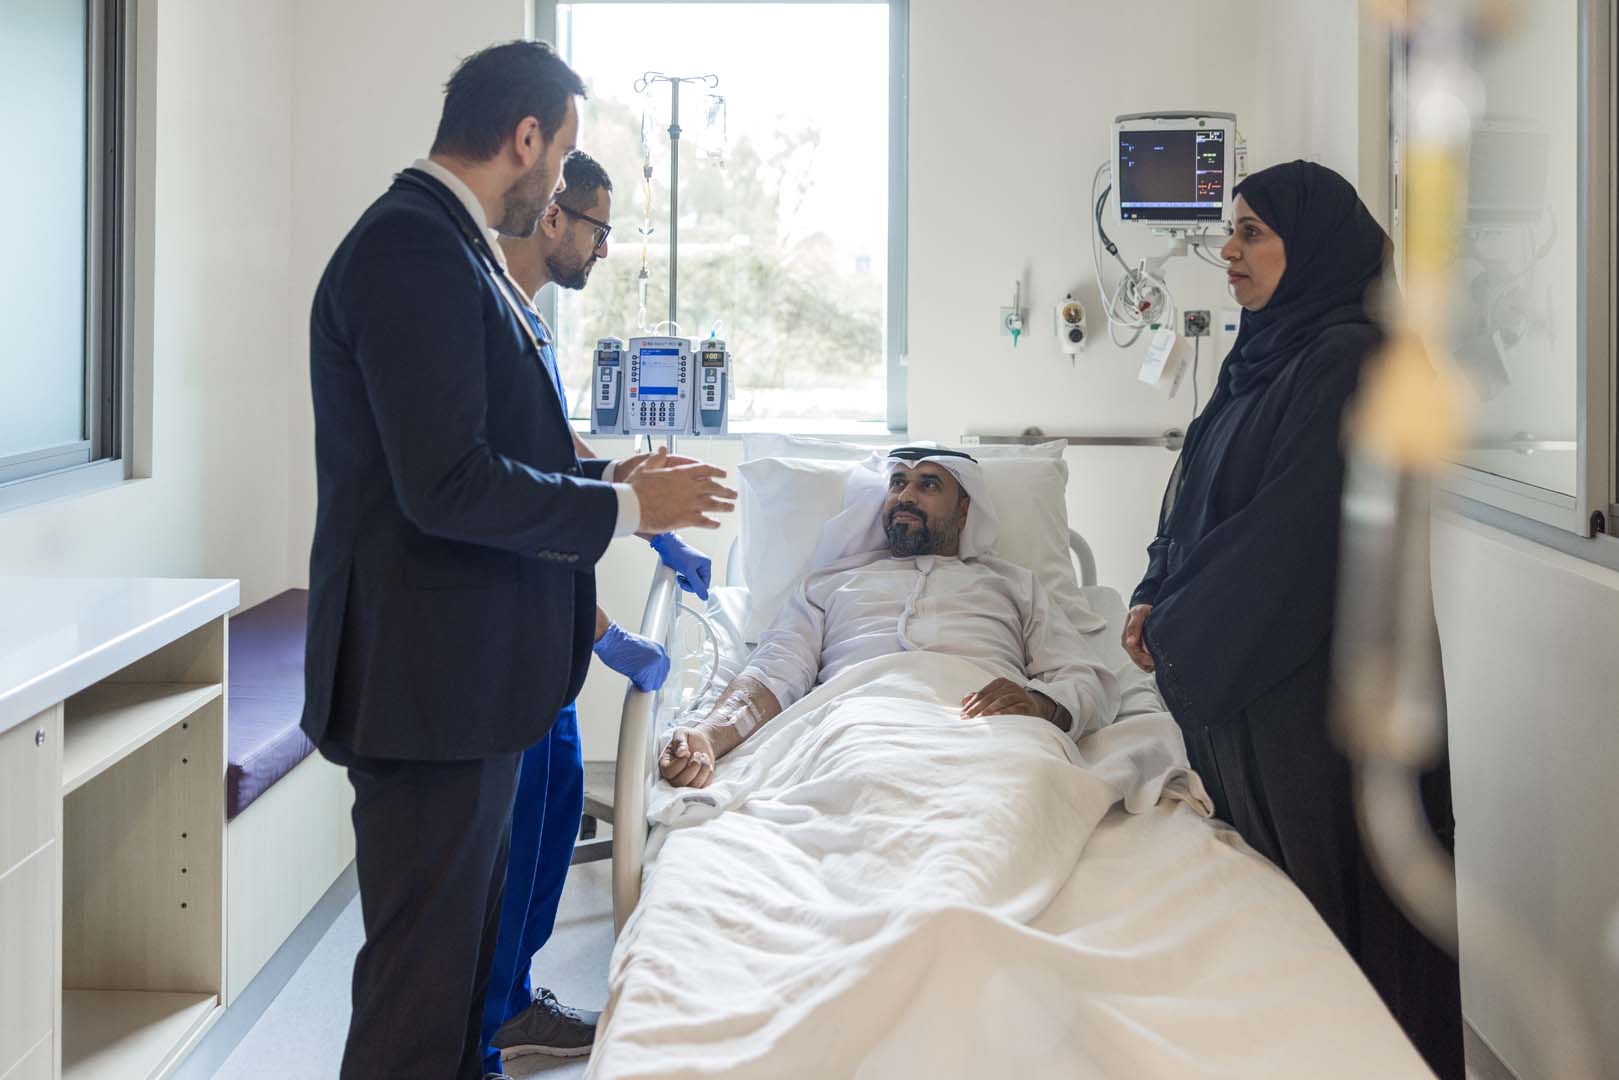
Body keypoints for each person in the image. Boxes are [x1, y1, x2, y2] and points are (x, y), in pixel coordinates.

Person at [302, 41, 735, 1080]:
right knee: (416, 1001)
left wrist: (602, 473)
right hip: (426, 693)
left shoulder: (455, 254)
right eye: (561, 156)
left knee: (455, 996)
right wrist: (626, 505)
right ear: (527, 138)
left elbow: (483, 444)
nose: (553, 190)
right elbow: (444, 483)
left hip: (464, 691)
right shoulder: (412, 250)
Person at [1119, 161, 1462, 1079]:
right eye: (1229, 231)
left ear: (1309, 248)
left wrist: (1182, 632)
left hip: (1323, 698)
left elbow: (1297, 531)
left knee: (1344, 923)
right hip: (1249, 682)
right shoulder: (1260, 354)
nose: (1226, 252)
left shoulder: (1352, 359)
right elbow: (1190, 496)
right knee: (1274, 923)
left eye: (1251, 234)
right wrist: (1155, 590)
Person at [476, 150, 712, 1069]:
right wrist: (610, 636)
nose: (607, 251)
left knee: (554, 818)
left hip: (548, 649)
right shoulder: (489, 315)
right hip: (511, 643)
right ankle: (486, 1023)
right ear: (553, 220)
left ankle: (512, 999)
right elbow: (510, 506)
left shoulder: (527, 322)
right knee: (512, 853)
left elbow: (558, 451)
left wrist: (647, 519)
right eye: (601, 230)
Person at [660, 447, 1119, 789]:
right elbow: (773, 672)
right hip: (857, 725)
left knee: (1020, 790)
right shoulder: (827, 585)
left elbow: (1079, 677)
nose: (906, 495)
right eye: (898, 482)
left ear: (964, 511)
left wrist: (1037, 704)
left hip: (990, 733)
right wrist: (707, 736)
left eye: (929, 484)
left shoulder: (1015, 585)